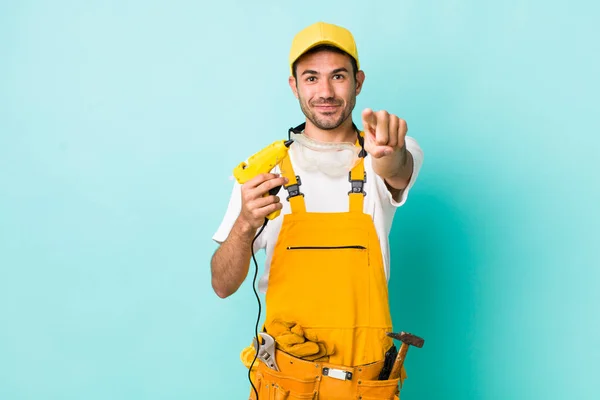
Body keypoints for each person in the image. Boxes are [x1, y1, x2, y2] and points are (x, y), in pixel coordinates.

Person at [211, 21, 424, 399]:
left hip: (365, 381)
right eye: (311, 78)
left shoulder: (383, 152)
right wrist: (245, 223)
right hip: (286, 378)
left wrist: (391, 155)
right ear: (294, 85)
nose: (325, 91)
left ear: (358, 82)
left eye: (338, 76)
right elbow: (222, 285)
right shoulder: (265, 171)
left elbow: (397, 169)